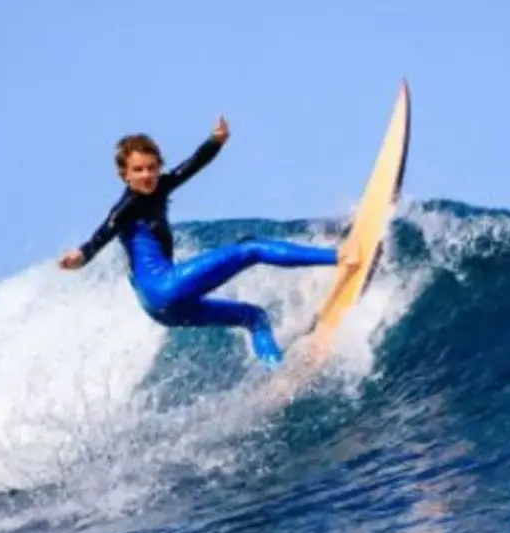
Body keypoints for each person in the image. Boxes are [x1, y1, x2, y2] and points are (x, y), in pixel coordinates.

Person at [58, 116, 360, 366]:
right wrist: (82, 256)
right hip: (165, 287)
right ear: (124, 175)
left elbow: (191, 165)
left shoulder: (161, 186)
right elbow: (103, 233)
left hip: (161, 310)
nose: (148, 175)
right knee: (251, 248)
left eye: (152, 167)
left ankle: (276, 371)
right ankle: (339, 256)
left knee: (253, 317)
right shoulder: (125, 208)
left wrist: (215, 141)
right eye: (138, 170)